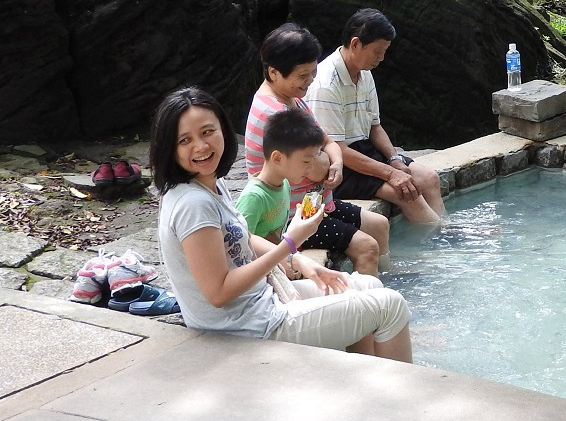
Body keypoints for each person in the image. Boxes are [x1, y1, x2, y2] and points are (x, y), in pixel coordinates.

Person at [151, 87, 412, 361]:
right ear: (169, 147)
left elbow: (240, 237)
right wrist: (290, 243)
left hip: (257, 305)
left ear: (222, 129)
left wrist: (299, 260)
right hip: (247, 327)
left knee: (366, 287)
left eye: (207, 132)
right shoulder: (193, 204)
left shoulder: (210, 184)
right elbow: (218, 292)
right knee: (390, 306)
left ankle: (364, 379)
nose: (201, 146)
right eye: (184, 140)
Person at [245, 23, 389, 275]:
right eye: (303, 75)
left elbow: (329, 142)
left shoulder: (293, 100)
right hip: (291, 216)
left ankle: (388, 282)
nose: (310, 81)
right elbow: (314, 169)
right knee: (367, 247)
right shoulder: (275, 115)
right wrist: (328, 164)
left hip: (317, 203)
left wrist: (335, 164)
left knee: (379, 224)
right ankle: (371, 305)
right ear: (274, 72)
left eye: (312, 73)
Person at [308, 8, 445, 223]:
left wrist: (394, 160)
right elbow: (337, 149)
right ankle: (440, 239)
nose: (381, 58)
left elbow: (375, 126)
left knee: (428, 178)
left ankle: (444, 227)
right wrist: (390, 174)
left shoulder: (365, 74)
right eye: (377, 51)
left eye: (384, 52)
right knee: (407, 194)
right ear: (355, 44)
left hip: (364, 151)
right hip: (340, 165)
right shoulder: (325, 84)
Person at [238, 108, 327, 243]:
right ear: (278, 158)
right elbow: (240, 246)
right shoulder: (254, 198)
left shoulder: (284, 183)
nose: (311, 167)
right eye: (306, 161)